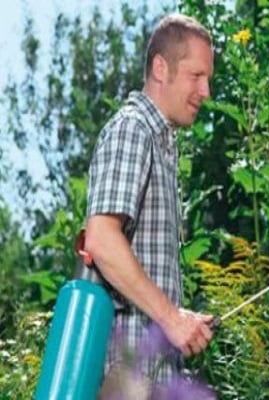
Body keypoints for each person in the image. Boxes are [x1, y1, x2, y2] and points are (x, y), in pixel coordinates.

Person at [83, 13, 214, 392]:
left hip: (153, 376)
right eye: (196, 76)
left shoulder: (160, 144)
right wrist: (172, 320)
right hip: (127, 374)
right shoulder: (133, 130)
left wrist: (180, 318)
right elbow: (102, 239)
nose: (205, 91)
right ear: (161, 67)